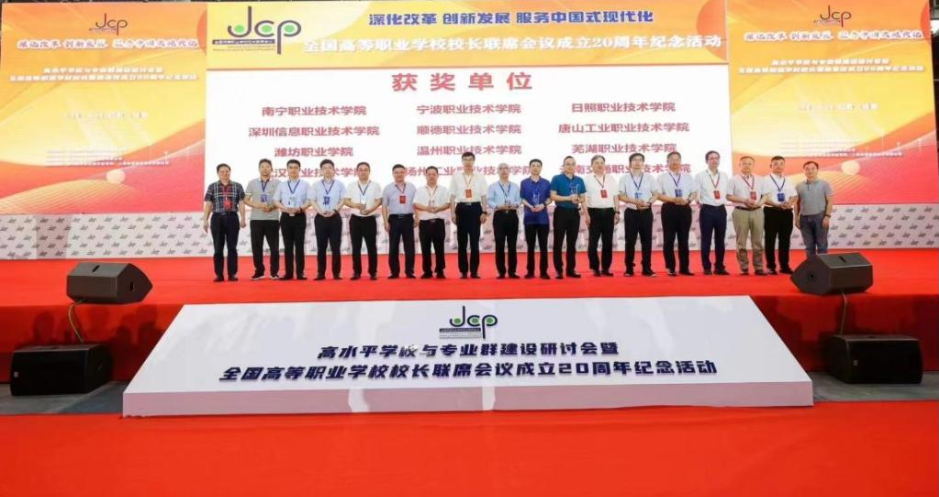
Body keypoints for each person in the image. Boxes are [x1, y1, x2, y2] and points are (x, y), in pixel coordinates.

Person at [203, 163, 246, 282]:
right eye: (222, 172)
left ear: (230, 172)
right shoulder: (212, 186)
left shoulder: (238, 186)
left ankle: (232, 274)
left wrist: (243, 218)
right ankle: (219, 274)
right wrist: (205, 220)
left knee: (232, 247)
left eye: (227, 171)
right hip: (217, 218)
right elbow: (208, 204)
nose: (225, 173)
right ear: (218, 173)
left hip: (232, 217)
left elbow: (241, 203)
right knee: (218, 248)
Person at [448, 152, 489, 279]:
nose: (468, 162)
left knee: (475, 242)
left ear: (474, 161)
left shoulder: (480, 176)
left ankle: (474, 271)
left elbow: (484, 196)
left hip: (476, 208)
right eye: (465, 159)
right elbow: (452, 196)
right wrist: (452, 213)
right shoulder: (456, 176)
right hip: (461, 209)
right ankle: (463, 271)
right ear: (462, 161)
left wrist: (484, 212)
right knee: (462, 242)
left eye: (470, 159)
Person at [618, 153, 659, 277]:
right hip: (631, 212)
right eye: (635, 160)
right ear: (630, 163)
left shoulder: (649, 177)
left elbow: (656, 194)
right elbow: (621, 196)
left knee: (647, 241)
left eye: (640, 160)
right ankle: (629, 268)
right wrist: (635, 201)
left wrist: (649, 203)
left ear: (643, 163)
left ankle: (646, 267)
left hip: (646, 212)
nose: (637, 162)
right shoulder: (624, 178)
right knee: (630, 241)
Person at [657, 151, 697, 276]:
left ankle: (684, 268)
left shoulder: (687, 176)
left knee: (684, 239)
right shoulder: (662, 177)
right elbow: (658, 195)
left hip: (684, 207)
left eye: (677, 159)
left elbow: (694, 192)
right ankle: (670, 267)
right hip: (669, 208)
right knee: (669, 239)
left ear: (681, 161)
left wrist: (688, 200)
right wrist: (673, 199)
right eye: (672, 160)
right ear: (667, 162)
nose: (675, 162)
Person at [343, 162, 383, 280]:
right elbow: (346, 200)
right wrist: (356, 205)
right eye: (361, 170)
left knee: (372, 247)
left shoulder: (375, 185)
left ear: (369, 172)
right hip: (355, 219)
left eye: (366, 170)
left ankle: (373, 272)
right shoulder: (351, 185)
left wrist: (370, 209)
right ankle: (356, 272)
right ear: (357, 172)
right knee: (356, 247)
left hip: (369, 219)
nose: (363, 172)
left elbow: (379, 200)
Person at [273, 159, 311, 281]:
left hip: (299, 216)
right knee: (287, 246)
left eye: (295, 167)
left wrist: (300, 208)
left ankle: (300, 272)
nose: (293, 170)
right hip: (285, 217)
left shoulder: (305, 184)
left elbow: (310, 201)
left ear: (299, 170)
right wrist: (285, 208)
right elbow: (276, 200)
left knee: (299, 245)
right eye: (291, 167)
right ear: (287, 170)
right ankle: (288, 273)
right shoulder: (282, 185)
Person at [727, 156, 766, 275]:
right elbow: (728, 196)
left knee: (757, 242)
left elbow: (765, 195)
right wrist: (744, 200)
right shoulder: (733, 180)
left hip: (757, 211)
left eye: (749, 163)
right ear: (739, 165)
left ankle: (759, 267)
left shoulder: (760, 179)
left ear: (753, 165)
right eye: (744, 163)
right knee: (741, 242)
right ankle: (743, 267)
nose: (747, 166)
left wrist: (759, 203)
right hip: (740, 211)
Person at [550, 156, 587, 279]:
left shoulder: (579, 180)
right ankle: (558, 270)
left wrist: (578, 199)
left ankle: (571, 269)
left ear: (576, 166)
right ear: (563, 166)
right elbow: (553, 196)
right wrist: (568, 198)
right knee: (558, 242)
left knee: (572, 242)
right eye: (567, 164)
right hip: (561, 212)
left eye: (572, 164)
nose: (570, 166)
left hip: (574, 213)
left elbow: (583, 197)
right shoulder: (556, 178)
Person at [694, 151, 730, 275]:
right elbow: (697, 192)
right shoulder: (700, 176)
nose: (714, 160)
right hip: (707, 210)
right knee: (706, 240)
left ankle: (719, 266)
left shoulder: (724, 175)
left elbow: (726, 192)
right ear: (707, 161)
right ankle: (706, 267)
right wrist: (699, 202)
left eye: (716, 158)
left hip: (721, 210)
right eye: (711, 158)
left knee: (720, 240)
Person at [761, 156, 799, 274]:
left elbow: (794, 195)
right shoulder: (765, 180)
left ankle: (784, 266)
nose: (779, 166)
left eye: (781, 164)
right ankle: (771, 266)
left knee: (785, 240)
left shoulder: (788, 179)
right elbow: (764, 197)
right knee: (770, 239)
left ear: (784, 166)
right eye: (776, 164)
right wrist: (777, 204)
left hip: (786, 212)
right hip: (771, 211)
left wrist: (789, 203)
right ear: (771, 166)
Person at [244, 159, 280, 280]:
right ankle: (259, 271)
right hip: (256, 219)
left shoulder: (278, 183)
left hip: (272, 219)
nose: (265, 169)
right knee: (256, 247)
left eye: (267, 166)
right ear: (259, 169)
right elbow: (246, 200)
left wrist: (272, 207)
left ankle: (274, 272)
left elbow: (281, 200)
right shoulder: (252, 183)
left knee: (274, 247)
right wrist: (256, 205)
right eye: (262, 166)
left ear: (271, 169)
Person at [310, 159, 346, 280]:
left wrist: (335, 210)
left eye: (330, 167)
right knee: (321, 247)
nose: (327, 170)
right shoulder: (316, 185)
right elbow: (312, 200)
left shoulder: (340, 184)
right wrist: (320, 211)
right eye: (324, 168)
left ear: (334, 170)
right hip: (321, 218)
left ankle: (336, 273)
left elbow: (343, 200)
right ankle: (321, 273)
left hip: (335, 217)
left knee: (336, 247)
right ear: (321, 171)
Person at [584, 155, 619, 277]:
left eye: (601, 162)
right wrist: (586, 215)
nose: (600, 165)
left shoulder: (611, 179)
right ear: (591, 166)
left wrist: (617, 212)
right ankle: (595, 267)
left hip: (609, 212)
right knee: (593, 242)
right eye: (596, 163)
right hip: (594, 212)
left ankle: (606, 268)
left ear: (605, 165)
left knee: (607, 242)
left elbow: (615, 196)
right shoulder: (587, 179)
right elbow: (584, 199)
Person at [413, 166, 450, 279]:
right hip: (425, 222)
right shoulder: (420, 190)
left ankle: (440, 270)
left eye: (434, 174)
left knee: (439, 248)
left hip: (438, 222)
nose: (431, 176)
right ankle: (427, 271)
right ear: (426, 176)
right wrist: (426, 208)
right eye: (429, 174)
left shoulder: (443, 189)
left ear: (438, 175)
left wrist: (438, 208)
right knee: (425, 248)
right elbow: (415, 203)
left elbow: (448, 203)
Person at [382, 164, 417, 279]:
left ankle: (409, 271)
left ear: (405, 173)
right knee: (393, 246)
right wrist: (385, 221)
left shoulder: (412, 187)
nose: (399, 174)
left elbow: (416, 204)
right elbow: (384, 206)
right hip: (394, 220)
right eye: (396, 172)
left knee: (409, 246)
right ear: (393, 174)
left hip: (408, 219)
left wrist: (417, 217)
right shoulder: (388, 188)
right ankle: (394, 272)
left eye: (401, 172)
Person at [487, 163, 522, 279]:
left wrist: (515, 205)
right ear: (497, 171)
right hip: (499, 216)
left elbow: (519, 200)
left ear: (510, 171)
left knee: (512, 245)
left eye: (506, 168)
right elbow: (489, 200)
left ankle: (512, 271)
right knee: (500, 244)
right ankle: (501, 271)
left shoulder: (515, 186)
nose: (503, 171)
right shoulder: (493, 186)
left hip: (512, 215)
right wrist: (498, 206)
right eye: (501, 169)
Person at [520, 159, 552, 279]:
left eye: (538, 166)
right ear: (529, 168)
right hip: (529, 218)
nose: (535, 168)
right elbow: (521, 198)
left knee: (544, 246)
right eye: (533, 165)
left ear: (541, 168)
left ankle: (544, 272)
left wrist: (543, 205)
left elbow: (550, 198)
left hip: (543, 219)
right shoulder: (524, 182)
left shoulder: (546, 182)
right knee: (530, 247)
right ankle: (530, 271)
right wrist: (529, 206)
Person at [794, 161, 834, 256]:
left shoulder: (825, 184)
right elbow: (796, 203)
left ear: (817, 170)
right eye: (807, 169)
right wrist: (796, 218)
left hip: (820, 217)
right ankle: (811, 265)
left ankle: (822, 266)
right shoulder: (799, 186)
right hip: (804, 219)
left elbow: (830, 201)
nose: (810, 171)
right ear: (804, 171)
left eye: (813, 168)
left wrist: (827, 216)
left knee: (822, 246)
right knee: (809, 246)